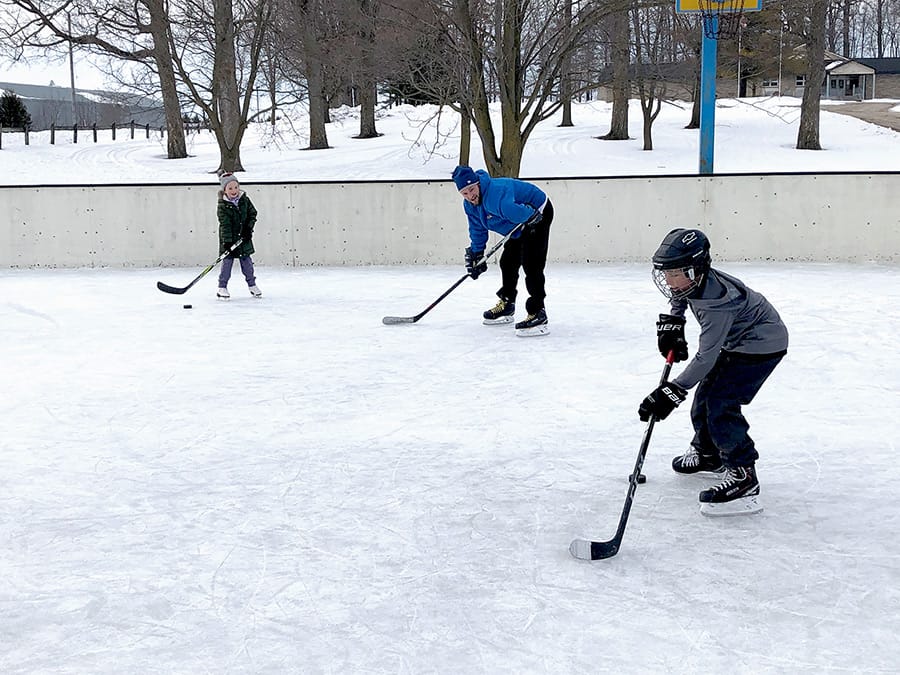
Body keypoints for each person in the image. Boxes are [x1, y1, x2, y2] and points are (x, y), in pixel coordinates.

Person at [637, 228, 788, 516]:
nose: (669, 280)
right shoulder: (693, 283)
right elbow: (679, 297)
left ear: (696, 270)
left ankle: (743, 477)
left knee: (721, 404)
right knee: (706, 395)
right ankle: (709, 454)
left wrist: (673, 390)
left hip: (761, 346)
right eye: (665, 273)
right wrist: (673, 321)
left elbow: (706, 356)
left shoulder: (718, 303)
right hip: (738, 343)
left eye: (676, 273)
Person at [452, 165, 553, 337]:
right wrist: (477, 254)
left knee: (531, 262)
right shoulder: (470, 205)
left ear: (477, 183)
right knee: (508, 262)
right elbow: (477, 229)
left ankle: (538, 312)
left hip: (538, 212)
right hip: (519, 221)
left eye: (471, 189)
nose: (470, 196)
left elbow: (514, 210)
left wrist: (531, 218)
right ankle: (507, 304)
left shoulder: (495, 194)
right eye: (465, 193)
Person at [216, 172, 262, 300]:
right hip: (229, 240)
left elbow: (253, 213)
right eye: (230, 188)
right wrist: (228, 242)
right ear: (224, 190)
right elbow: (225, 224)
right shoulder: (222, 205)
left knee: (247, 263)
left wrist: (249, 228)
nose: (234, 190)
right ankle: (222, 287)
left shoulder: (245, 200)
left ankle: (252, 285)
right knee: (227, 263)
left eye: (236, 187)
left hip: (244, 238)